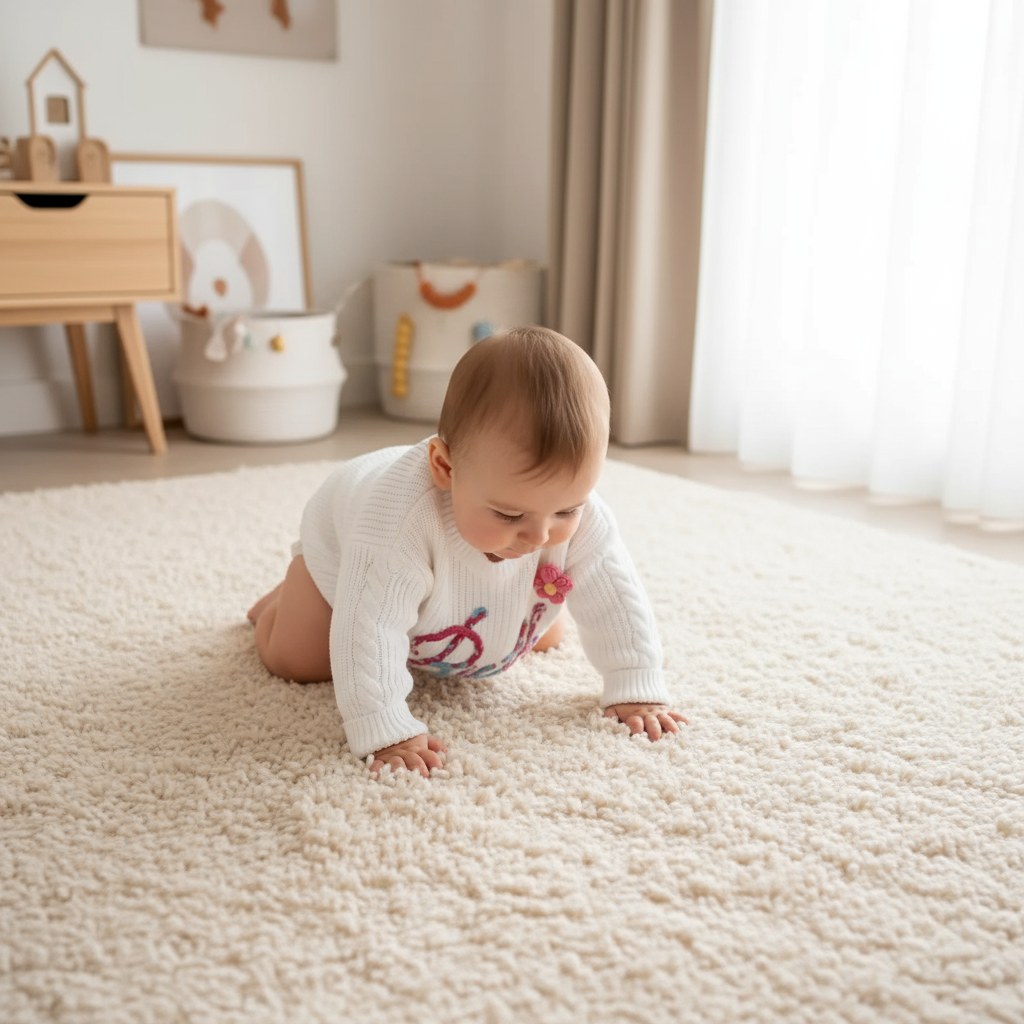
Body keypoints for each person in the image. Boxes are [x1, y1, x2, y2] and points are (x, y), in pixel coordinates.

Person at [247, 326, 688, 777]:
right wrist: (386, 728)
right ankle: (293, 592)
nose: (539, 537)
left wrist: (635, 684)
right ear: (445, 467)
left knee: (544, 634)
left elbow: (615, 598)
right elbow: (370, 626)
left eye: (566, 510)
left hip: (436, 577)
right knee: (300, 659)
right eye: (510, 514)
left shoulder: (577, 515)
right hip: (347, 553)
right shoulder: (397, 524)